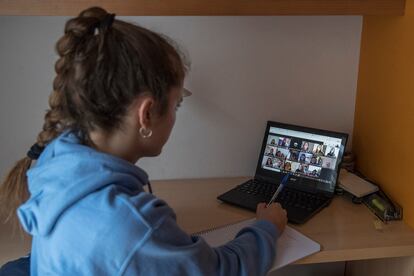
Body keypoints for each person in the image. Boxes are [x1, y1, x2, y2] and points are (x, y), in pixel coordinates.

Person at [0, 7, 287, 276]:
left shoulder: (56, 159)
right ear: (147, 113)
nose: (175, 115)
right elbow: (224, 270)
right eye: (176, 105)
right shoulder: (132, 226)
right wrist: (266, 228)